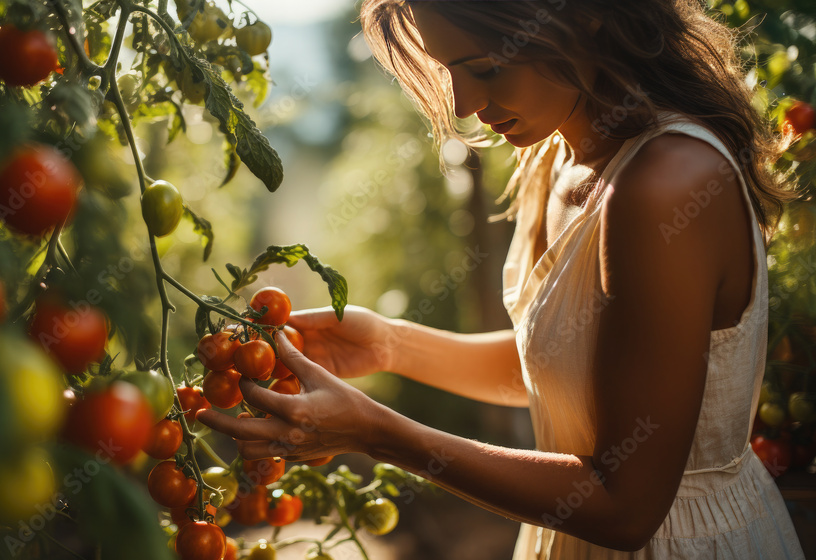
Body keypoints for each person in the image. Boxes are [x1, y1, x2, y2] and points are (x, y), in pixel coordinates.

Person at [197, 1, 807, 557]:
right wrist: (390, 344)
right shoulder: (558, 154)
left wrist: (378, 433)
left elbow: (626, 509)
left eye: (485, 68)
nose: (463, 104)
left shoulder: (665, 185)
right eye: (448, 69)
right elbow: (569, 375)